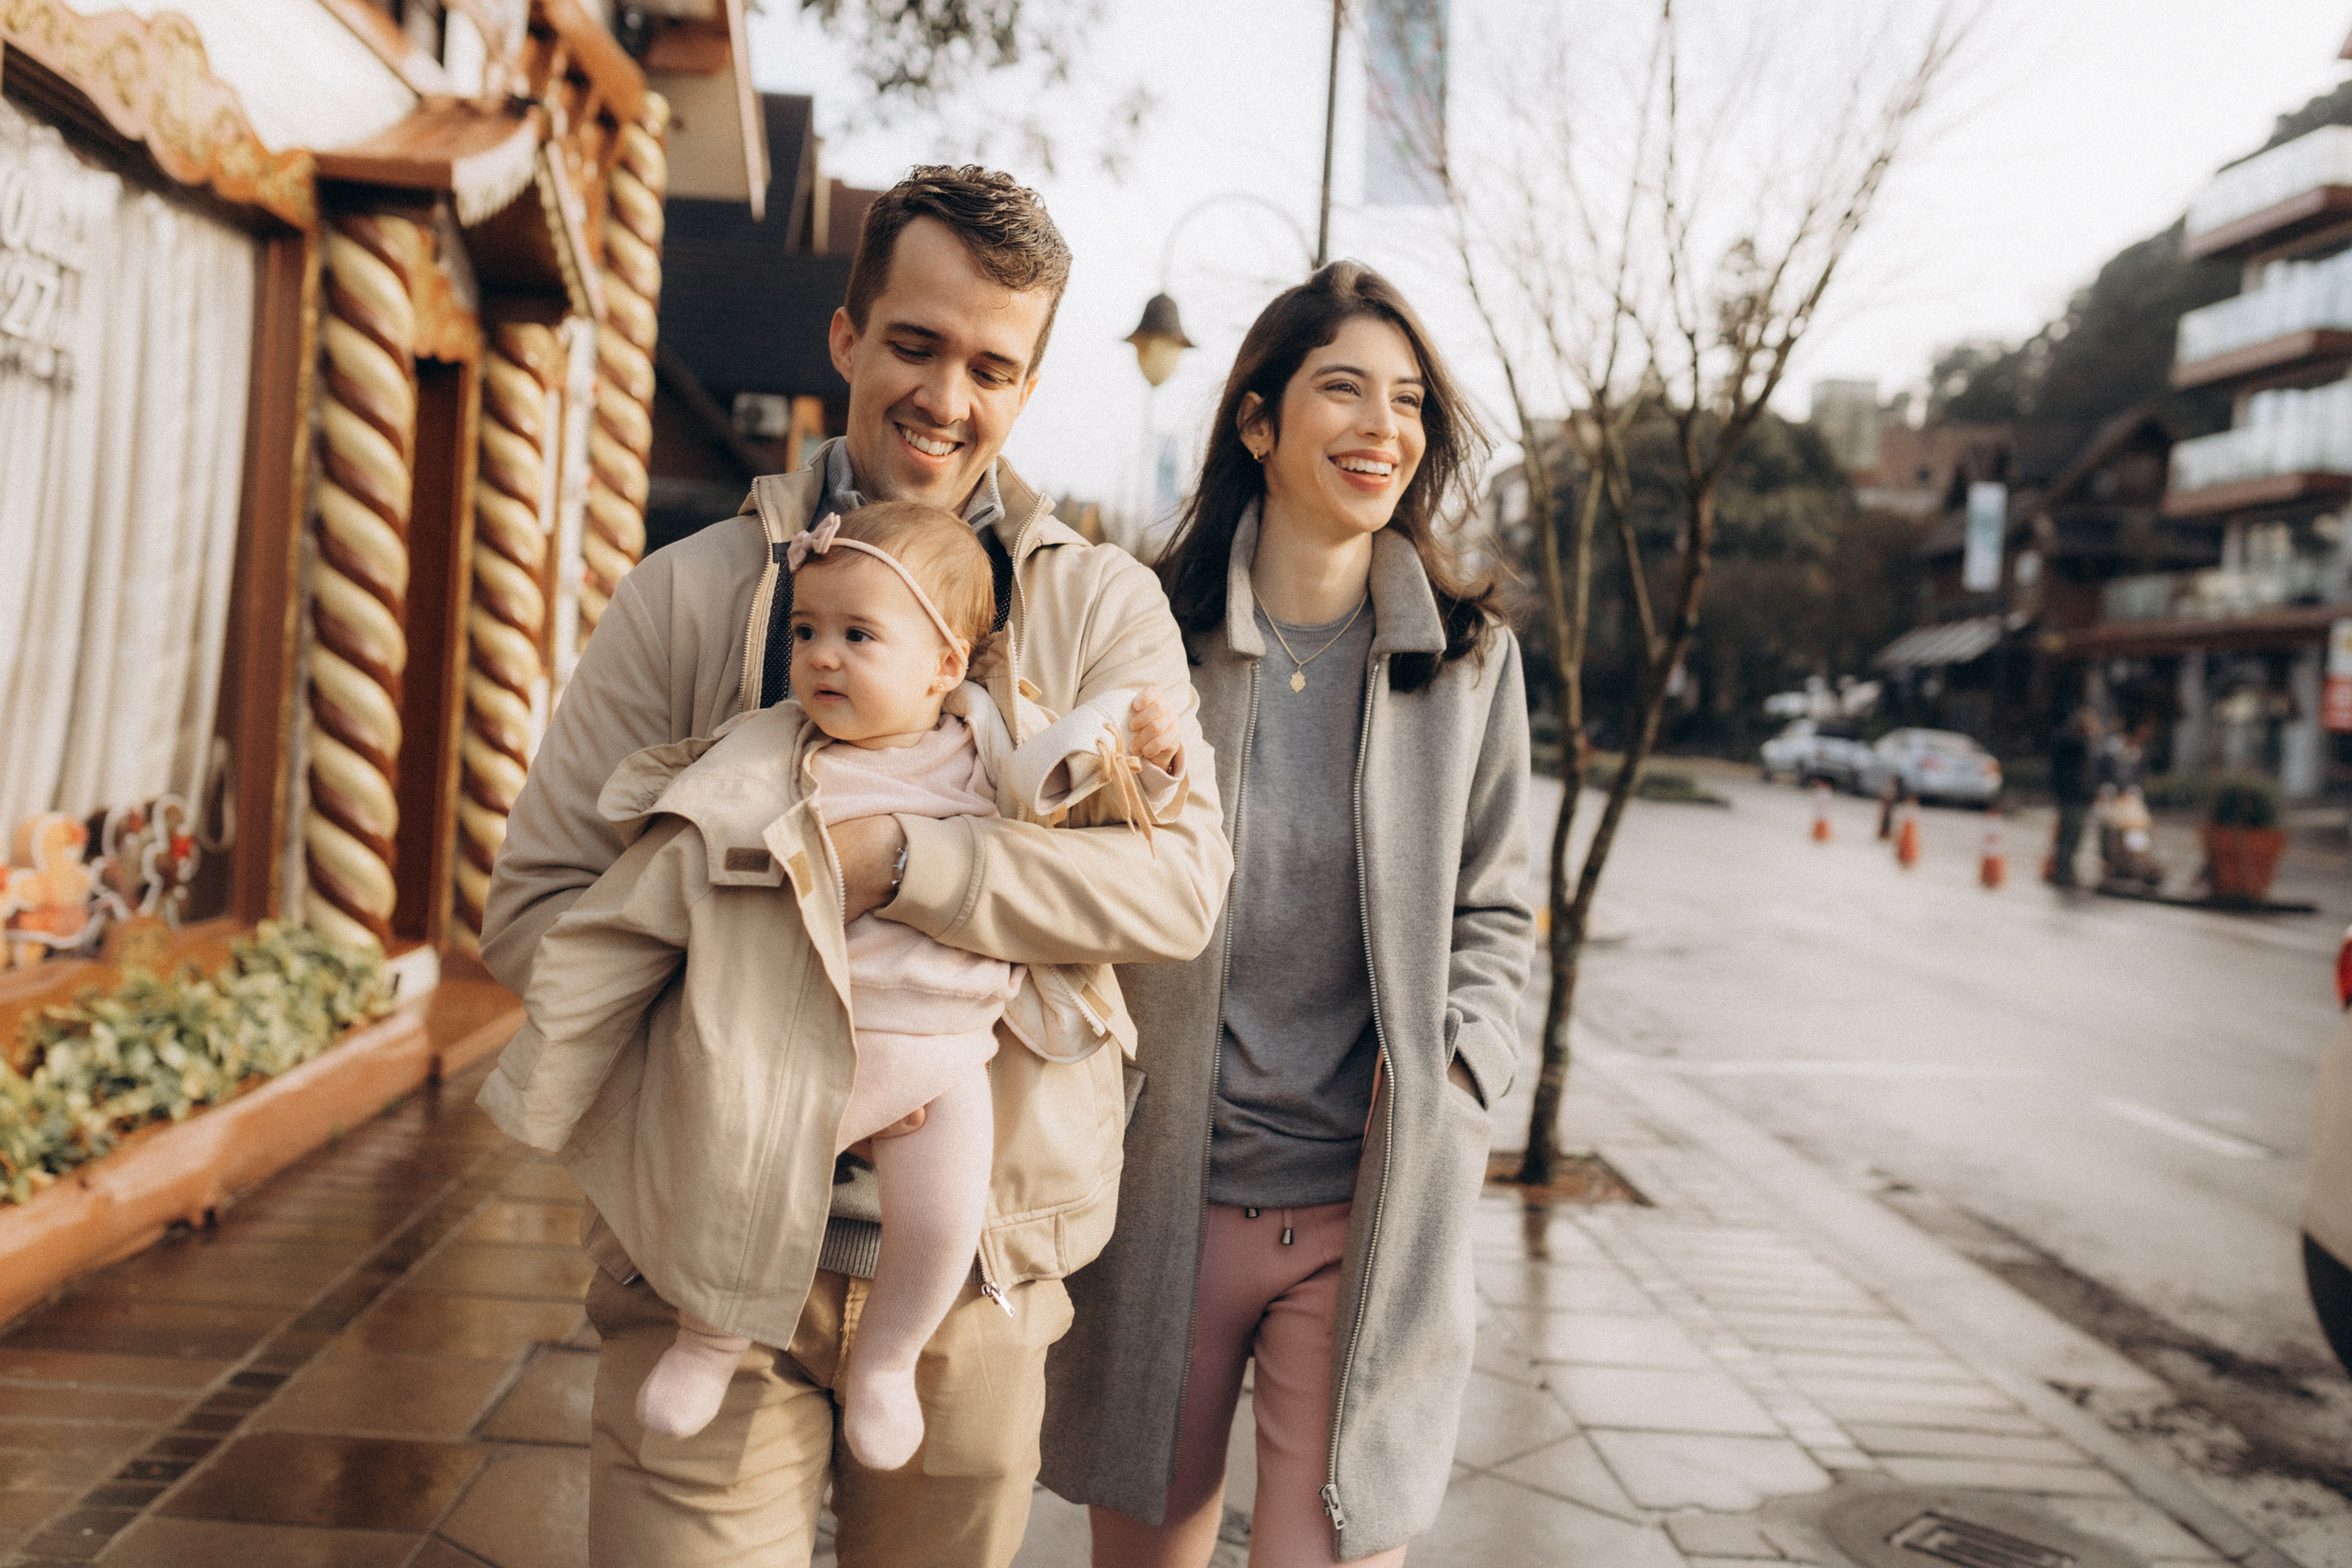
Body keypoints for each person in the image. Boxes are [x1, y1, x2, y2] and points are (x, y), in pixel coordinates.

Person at [478, 166, 1233, 1567]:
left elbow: (1176, 888)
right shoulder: (692, 593)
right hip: (698, 1248)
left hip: (978, 1266)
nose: (948, 395)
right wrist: (728, 1070)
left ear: (1030, 381)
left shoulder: (1101, 605)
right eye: (915, 343)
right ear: (845, 337)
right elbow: (535, 909)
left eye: (993, 364)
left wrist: (906, 865)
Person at [481, 502, 1186, 1471]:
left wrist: (1147, 765)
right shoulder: (772, 753)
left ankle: (890, 1360)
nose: (822, 658)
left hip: (942, 1054)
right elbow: (659, 868)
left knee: (943, 1217)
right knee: (732, 1181)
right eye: (807, 631)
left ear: (944, 667)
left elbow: (1081, 804)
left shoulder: (985, 747)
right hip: (784, 1037)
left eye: (858, 637)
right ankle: (709, 1336)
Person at [1040, 262, 1534, 1564]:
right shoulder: (1153, 637)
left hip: (1365, 1212)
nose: (1385, 427)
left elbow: (1496, 911)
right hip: (1165, 1196)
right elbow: (1064, 863)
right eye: (1345, 391)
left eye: (1411, 401)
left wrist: (1461, 1073)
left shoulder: (1469, 661)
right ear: (1258, 421)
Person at [2047, 705, 2102, 887]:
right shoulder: (2069, 741)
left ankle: (2066, 871)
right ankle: (2062, 873)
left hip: (2083, 797)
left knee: (2076, 836)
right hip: (2071, 796)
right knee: (2068, 835)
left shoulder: (2082, 742)